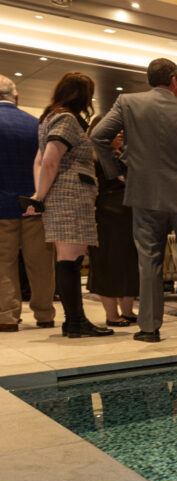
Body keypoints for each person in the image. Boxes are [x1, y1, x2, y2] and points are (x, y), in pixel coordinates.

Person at [92, 58, 177, 341]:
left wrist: (119, 171)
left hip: (144, 194)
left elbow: (98, 136)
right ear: (174, 80)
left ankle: (149, 328)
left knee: (149, 260)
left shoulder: (127, 103)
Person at [24, 72, 112, 338]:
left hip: (60, 195)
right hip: (70, 197)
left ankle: (74, 321)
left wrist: (39, 194)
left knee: (67, 259)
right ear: (82, 95)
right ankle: (76, 322)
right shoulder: (67, 118)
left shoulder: (49, 118)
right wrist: (39, 197)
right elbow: (49, 161)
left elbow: (39, 161)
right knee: (70, 260)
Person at [0, 73, 55, 333]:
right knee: (40, 262)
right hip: (34, 204)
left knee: (3, 262)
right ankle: (45, 314)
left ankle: (7, 316)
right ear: (16, 96)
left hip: (1, 206)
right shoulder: (37, 125)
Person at [86, 118, 139, 327]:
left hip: (129, 216)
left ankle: (127, 310)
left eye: (121, 131)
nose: (120, 134)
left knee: (130, 263)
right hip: (107, 217)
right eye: (115, 130)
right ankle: (111, 314)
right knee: (107, 264)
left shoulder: (121, 155)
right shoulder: (94, 157)